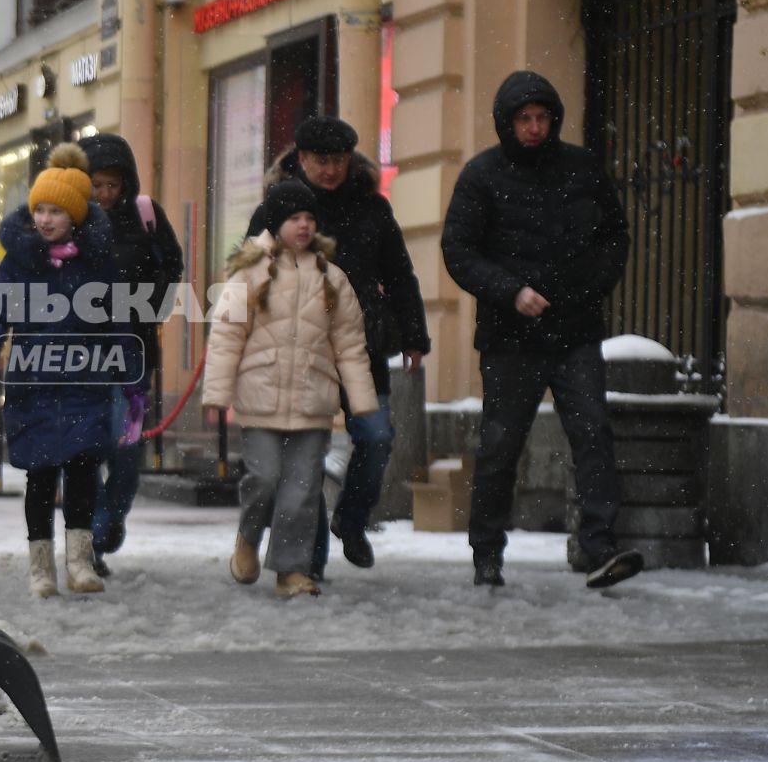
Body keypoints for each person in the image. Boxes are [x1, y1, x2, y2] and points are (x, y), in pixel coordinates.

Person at [442, 71, 643, 590]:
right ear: (507, 123)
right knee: (501, 446)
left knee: (593, 434)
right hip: (511, 338)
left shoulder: (582, 169)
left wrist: (591, 286)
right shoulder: (481, 175)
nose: (534, 128)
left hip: (575, 330)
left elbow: (614, 235)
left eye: (542, 118)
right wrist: (511, 291)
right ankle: (487, 552)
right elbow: (459, 251)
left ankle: (600, 547)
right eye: (524, 119)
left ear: (554, 119)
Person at [245, 115, 430, 576]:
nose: (330, 170)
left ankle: (351, 520)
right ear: (301, 159)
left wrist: (414, 335)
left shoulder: (372, 207)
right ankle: (310, 559)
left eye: (338, 161)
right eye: (321, 161)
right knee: (304, 451)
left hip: (358, 346)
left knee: (377, 437)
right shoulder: (277, 206)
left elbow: (399, 274)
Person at [205, 180, 378, 599]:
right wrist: (216, 395)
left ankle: (291, 571)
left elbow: (350, 346)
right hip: (260, 395)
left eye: (309, 218)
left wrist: (362, 400)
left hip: (312, 400)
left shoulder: (332, 279)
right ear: (275, 223)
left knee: (301, 490)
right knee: (264, 478)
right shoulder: (248, 274)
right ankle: (248, 536)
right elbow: (226, 337)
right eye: (293, 218)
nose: (303, 226)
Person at [0, 143, 121, 598]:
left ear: (75, 215)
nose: (44, 219)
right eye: (39, 209)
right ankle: (40, 566)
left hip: (85, 383)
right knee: (39, 479)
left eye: (55, 210)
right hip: (32, 383)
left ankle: (81, 561)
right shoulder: (19, 261)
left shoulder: (97, 263)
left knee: (81, 475)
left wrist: (130, 382)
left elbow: (118, 322)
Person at [78, 133, 185, 575]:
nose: (104, 195)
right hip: (79, 356)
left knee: (126, 451)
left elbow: (172, 265)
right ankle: (95, 539)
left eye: (112, 185)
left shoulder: (145, 216)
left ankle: (110, 518)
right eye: (96, 185)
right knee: (83, 452)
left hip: (130, 355)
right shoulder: (69, 219)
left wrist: (150, 306)